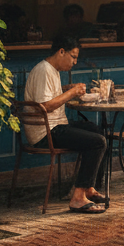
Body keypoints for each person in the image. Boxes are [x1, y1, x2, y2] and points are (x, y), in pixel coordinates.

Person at [24, 32, 108, 213]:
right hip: (45, 132)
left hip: (55, 126)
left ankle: (88, 188)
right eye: (73, 57)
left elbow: (46, 95)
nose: (75, 62)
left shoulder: (52, 70)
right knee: (97, 142)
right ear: (61, 51)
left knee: (97, 131)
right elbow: (45, 106)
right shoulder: (44, 70)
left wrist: (64, 89)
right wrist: (71, 93)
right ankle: (77, 199)